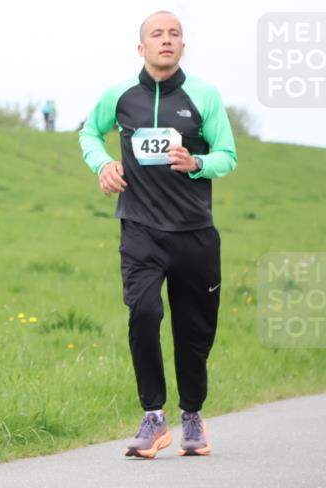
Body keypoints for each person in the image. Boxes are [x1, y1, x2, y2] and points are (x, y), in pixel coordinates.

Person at [78, 11, 237, 459]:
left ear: (183, 46)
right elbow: (89, 133)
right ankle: (153, 416)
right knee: (143, 313)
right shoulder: (120, 95)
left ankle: (192, 416)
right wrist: (103, 164)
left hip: (194, 233)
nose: (166, 40)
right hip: (141, 229)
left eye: (174, 34)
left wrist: (198, 163)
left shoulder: (204, 96)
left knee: (194, 330)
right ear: (141, 48)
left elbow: (228, 155)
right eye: (156, 34)